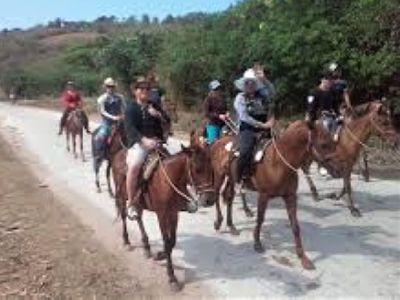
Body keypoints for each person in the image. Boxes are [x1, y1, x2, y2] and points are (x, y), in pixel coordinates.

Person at [124, 76, 168, 217]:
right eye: (141, 88)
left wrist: (158, 115)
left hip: (156, 142)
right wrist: (144, 140)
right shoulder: (131, 107)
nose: (144, 91)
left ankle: (182, 197)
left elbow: (167, 121)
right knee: (134, 166)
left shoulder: (154, 105)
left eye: (147, 89)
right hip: (139, 144)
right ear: (135, 91)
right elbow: (130, 128)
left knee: (175, 163)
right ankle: (131, 202)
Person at [233, 68, 276, 194]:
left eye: (253, 82)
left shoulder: (262, 95)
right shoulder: (240, 98)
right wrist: (263, 125)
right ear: (244, 84)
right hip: (248, 128)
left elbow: (273, 93)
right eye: (247, 83)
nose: (250, 85)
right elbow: (244, 117)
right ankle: (239, 179)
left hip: (266, 127)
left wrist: (264, 79)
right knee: (245, 152)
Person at [93, 77, 125, 158]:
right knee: (100, 136)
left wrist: (123, 114)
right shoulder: (101, 99)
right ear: (105, 87)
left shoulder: (120, 97)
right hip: (107, 122)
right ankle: (99, 154)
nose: (110, 88)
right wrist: (113, 117)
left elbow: (124, 107)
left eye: (112, 86)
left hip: (119, 121)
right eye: (108, 86)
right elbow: (103, 111)